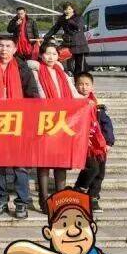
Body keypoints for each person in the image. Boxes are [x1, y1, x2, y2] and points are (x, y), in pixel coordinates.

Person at [0, 34, 38, 219]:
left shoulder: (23, 68)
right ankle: (0, 198)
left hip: (19, 121)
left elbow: (33, 94)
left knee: (20, 166)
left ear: (15, 49)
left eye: (8, 46)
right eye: (1, 45)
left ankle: (22, 201)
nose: (4, 49)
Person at [33, 43, 80, 211]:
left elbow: (73, 93)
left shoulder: (63, 73)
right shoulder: (36, 72)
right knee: (44, 162)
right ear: (41, 55)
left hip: (63, 121)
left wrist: (86, 101)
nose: (51, 57)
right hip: (45, 120)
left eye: (54, 54)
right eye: (47, 53)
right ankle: (44, 199)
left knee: (61, 161)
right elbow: (39, 93)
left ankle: (60, 198)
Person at [74, 72, 111, 213]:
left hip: (99, 143)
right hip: (84, 143)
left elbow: (107, 124)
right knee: (92, 168)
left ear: (92, 86)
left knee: (100, 172)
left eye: (87, 84)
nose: (83, 87)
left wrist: (109, 142)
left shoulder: (97, 104)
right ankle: (79, 189)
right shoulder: (73, 102)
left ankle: (93, 197)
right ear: (75, 86)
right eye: (80, 84)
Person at [42, 2, 89, 74]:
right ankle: (76, 75)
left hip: (79, 44)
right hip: (68, 43)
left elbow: (79, 27)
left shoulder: (79, 17)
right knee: (68, 63)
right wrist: (46, 36)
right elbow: (55, 28)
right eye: (65, 9)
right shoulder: (62, 18)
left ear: (73, 9)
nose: (67, 11)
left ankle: (80, 78)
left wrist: (69, 20)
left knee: (79, 64)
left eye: (69, 9)